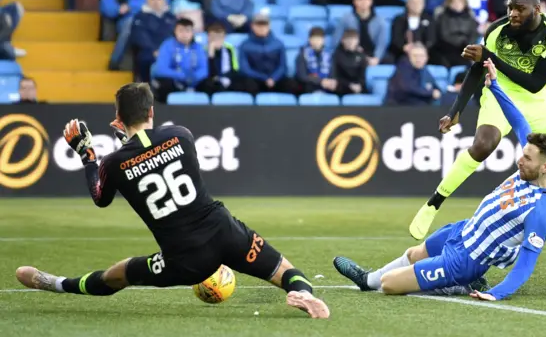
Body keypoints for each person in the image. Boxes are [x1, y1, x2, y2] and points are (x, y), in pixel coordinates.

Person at [15, 83, 329, 319]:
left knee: (118, 275)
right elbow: (154, 153)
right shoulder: (182, 135)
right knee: (283, 269)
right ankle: (301, 292)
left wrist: (88, 157)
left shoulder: (113, 164)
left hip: (184, 257)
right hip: (223, 230)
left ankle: (56, 282)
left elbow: (101, 197)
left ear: (118, 118)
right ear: (151, 111)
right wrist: (130, 139)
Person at [335, 59, 546, 301]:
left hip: (466, 260)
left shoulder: (542, 211)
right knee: (414, 254)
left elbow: (526, 263)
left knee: (390, 284)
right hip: (465, 229)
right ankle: (365, 280)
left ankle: (458, 284)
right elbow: (518, 121)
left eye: (527, 158)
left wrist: (496, 293)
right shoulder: (538, 166)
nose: (520, 160)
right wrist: (495, 86)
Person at [409, 0, 546, 251]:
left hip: (539, 100)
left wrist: (491, 57)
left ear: (537, 9)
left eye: (519, 8)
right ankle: (432, 205)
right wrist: (455, 110)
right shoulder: (496, 31)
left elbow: (536, 82)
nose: (513, 13)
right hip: (499, 96)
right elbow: (478, 70)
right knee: (483, 145)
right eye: (509, 7)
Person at [236, 12, 298, 95]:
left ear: (269, 26)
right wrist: (264, 78)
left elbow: (282, 66)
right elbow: (245, 69)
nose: (261, 28)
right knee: (247, 84)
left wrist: (273, 78)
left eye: (264, 25)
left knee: (292, 85)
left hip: (275, 80)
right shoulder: (245, 45)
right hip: (256, 80)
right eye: (258, 25)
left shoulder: (278, 44)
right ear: (252, 26)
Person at [150, 18, 210, 103]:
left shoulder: (198, 47)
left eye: (187, 31)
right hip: (173, 81)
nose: (184, 34)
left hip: (193, 81)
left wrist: (194, 77)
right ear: (175, 31)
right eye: (181, 31)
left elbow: (204, 69)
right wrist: (181, 76)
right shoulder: (167, 45)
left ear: (193, 33)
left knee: (209, 83)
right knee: (164, 84)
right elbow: (161, 69)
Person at [332, 0, 389, 66]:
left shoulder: (380, 21)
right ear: (354, 1)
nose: (363, 2)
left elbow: (382, 43)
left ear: (371, 1)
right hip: (351, 51)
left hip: (372, 53)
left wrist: (376, 58)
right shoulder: (346, 19)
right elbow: (337, 39)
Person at [130, 0, 177, 82]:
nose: (156, 2)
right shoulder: (140, 17)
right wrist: (154, 50)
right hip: (149, 51)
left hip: (170, 51)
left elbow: (176, 36)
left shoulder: (171, 17)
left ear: (164, 0)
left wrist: (165, 51)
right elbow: (139, 36)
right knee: (144, 59)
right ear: (147, 0)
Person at [428, 0, 477, 68]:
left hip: (464, 49)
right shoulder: (443, 16)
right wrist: (461, 42)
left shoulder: (470, 17)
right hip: (447, 49)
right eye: (454, 2)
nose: (457, 4)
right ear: (449, 3)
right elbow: (444, 34)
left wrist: (467, 44)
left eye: (460, 2)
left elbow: (473, 34)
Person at [386, 0, 433, 64]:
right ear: (407, 4)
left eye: (419, 2)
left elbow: (432, 39)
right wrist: (403, 47)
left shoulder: (429, 19)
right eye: (413, 2)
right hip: (402, 52)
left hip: (424, 53)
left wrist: (422, 49)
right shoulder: (399, 19)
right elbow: (396, 38)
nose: (416, 5)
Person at [295, 27, 335, 93]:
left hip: (327, 87)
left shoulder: (329, 55)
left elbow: (332, 74)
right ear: (309, 40)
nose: (317, 42)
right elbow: (302, 76)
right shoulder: (302, 55)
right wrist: (320, 81)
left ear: (323, 40)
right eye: (314, 39)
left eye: (319, 39)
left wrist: (331, 82)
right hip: (309, 88)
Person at [329, 29, 368, 96]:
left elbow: (362, 75)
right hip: (341, 89)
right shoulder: (336, 55)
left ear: (357, 41)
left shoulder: (361, 56)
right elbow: (335, 75)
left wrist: (358, 85)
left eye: (353, 39)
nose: (351, 42)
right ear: (342, 40)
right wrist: (349, 85)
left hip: (358, 88)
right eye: (348, 39)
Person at [205, 22, 240, 93]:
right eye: (213, 37)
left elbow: (234, 69)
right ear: (208, 37)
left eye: (220, 37)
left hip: (227, 77)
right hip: (212, 81)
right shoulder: (204, 50)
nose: (217, 40)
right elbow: (209, 73)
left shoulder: (229, 49)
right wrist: (211, 55)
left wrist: (224, 77)